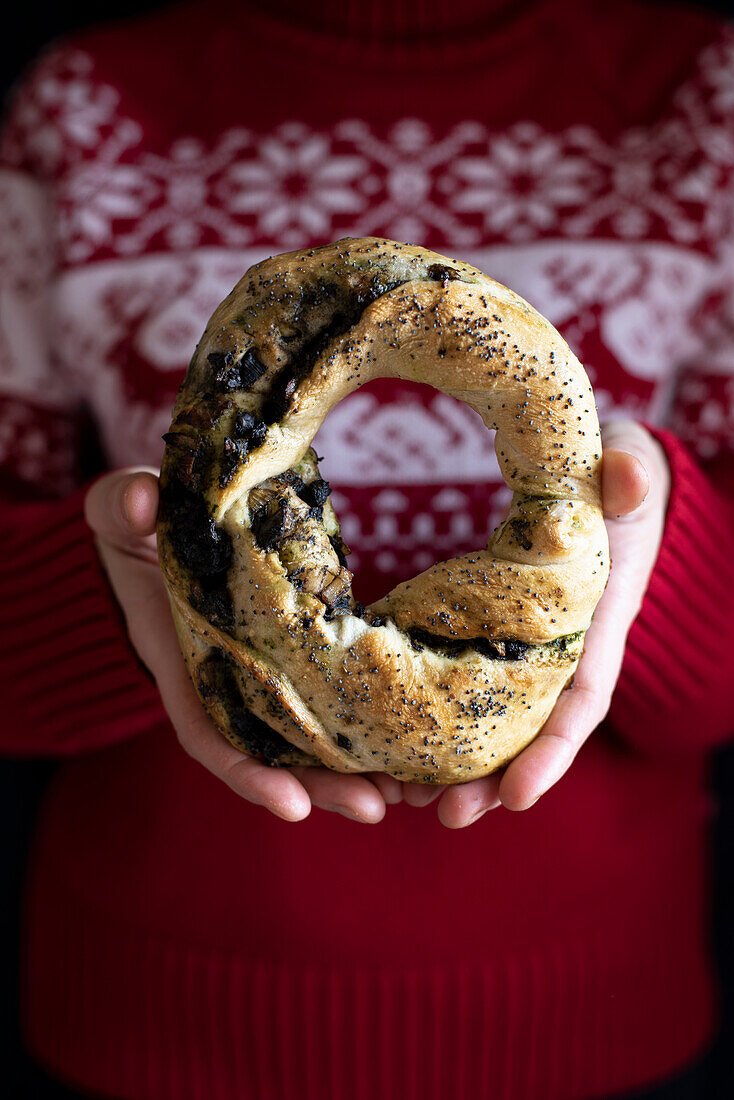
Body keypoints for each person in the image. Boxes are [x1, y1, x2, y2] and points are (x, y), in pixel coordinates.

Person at [1, 0, 733, 1097]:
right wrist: (128, 589)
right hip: (151, 1017)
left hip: (585, 1020)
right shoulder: (84, 106)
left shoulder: (702, 98)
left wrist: (659, 540)